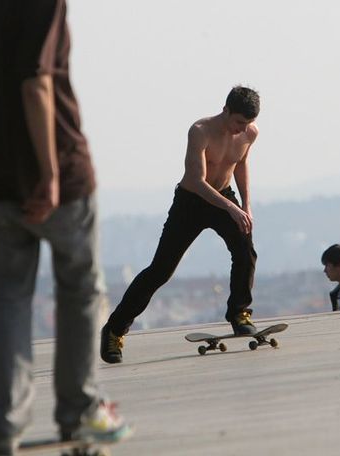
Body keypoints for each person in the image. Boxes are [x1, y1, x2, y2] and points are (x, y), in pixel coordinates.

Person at [0, 1, 124, 453]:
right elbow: (35, 83)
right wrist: (49, 175)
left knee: (9, 299)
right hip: (57, 173)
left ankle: (1, 427)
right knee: (80, 289)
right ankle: (80, 412)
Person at [100, 86, 261, 364]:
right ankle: (115, 330)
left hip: (224, 197)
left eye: (246, 124)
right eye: (237, 122)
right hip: (192, 201)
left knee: (245, 251)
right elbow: (197, 181)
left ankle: (239, 312)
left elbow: (242, 164)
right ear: (225, 110)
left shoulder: (249, 133)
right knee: (161, 270)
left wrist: (245, 205)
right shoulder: (200, 131)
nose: (240, 129)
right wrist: (233, 209)